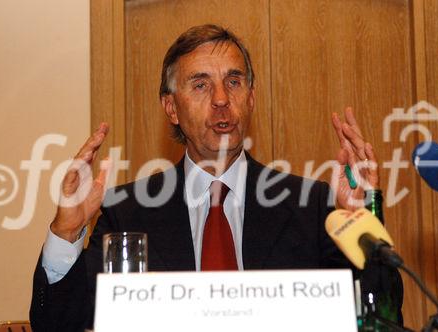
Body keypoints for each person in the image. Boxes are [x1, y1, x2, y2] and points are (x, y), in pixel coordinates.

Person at [29, 24, 402, 331]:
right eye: (201, 84)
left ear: (251, 98)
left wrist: (363, 219)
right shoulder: (125, 212)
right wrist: (65, 235)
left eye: (234, 82)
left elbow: (381, 319)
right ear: (171, 107)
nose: (222, 99)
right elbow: (58, 323)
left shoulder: (312, 205)